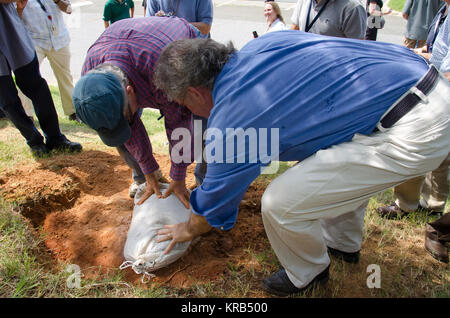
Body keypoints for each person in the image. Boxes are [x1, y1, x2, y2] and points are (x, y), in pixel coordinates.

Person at [153, 34, 449, 296]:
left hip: (417, 126)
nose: (186, 110)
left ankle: (309, 273)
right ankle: (343, 246)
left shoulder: (235, 118)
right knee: (332, 167)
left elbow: (214, 205)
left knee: (280, 203)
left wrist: (188, 228)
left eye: (183, 103)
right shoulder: (260, 47)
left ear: (194, 92)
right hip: (422, 85)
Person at [73, 16, 198, 207]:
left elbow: (179, 122)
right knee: (121, 132)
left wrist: (179, 177)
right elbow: (125, 127)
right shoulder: (90, 79)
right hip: (130, 45)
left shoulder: (164, 70)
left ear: (129, 92)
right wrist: (149, 171)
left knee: (200, 115)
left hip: (181, 44)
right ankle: (144, 177)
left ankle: (207, 181)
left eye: (126, 115)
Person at [378, 5, 449, 220]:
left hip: (439, 90)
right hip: (432, 87)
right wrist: (421, 54)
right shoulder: (443, 11)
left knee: (439, 154)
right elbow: (440, 49)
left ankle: (433, 206)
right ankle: (406, 203)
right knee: (416, 146)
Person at [0, 0, 82, 157]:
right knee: (8, 100)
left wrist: (19, 9)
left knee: (38, 88)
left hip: (13, 35)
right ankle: (34, 142)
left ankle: (55, 138)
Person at [146, 0, 213, 186]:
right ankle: (178, 174)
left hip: (198, 66)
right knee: (178, 125)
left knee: (203, 128)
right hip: (171, 68)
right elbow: (149, 25)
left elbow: (206, 27)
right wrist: (160, 22)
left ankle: (203, 180)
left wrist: (173, 23)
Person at [15, 0, 80, 123]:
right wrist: (20, 8)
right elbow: (15, 18)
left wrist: (58, 1)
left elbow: (69, 9)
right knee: (26, 76)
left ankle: (72, 111)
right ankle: (27, 114)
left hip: (59, 40)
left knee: (65, 76)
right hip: (33, 40)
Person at [290, 0, 367, 39]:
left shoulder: (352, 8)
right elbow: (294, 30)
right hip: (307, 64)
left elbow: (357, 49)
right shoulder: (304, 1)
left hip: (334, 67)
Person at [146, 0, 213, 37]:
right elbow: (148, 27)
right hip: (166, 47)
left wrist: (176, 24)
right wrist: (157, 22)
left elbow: (205, 28)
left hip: (195, 49)